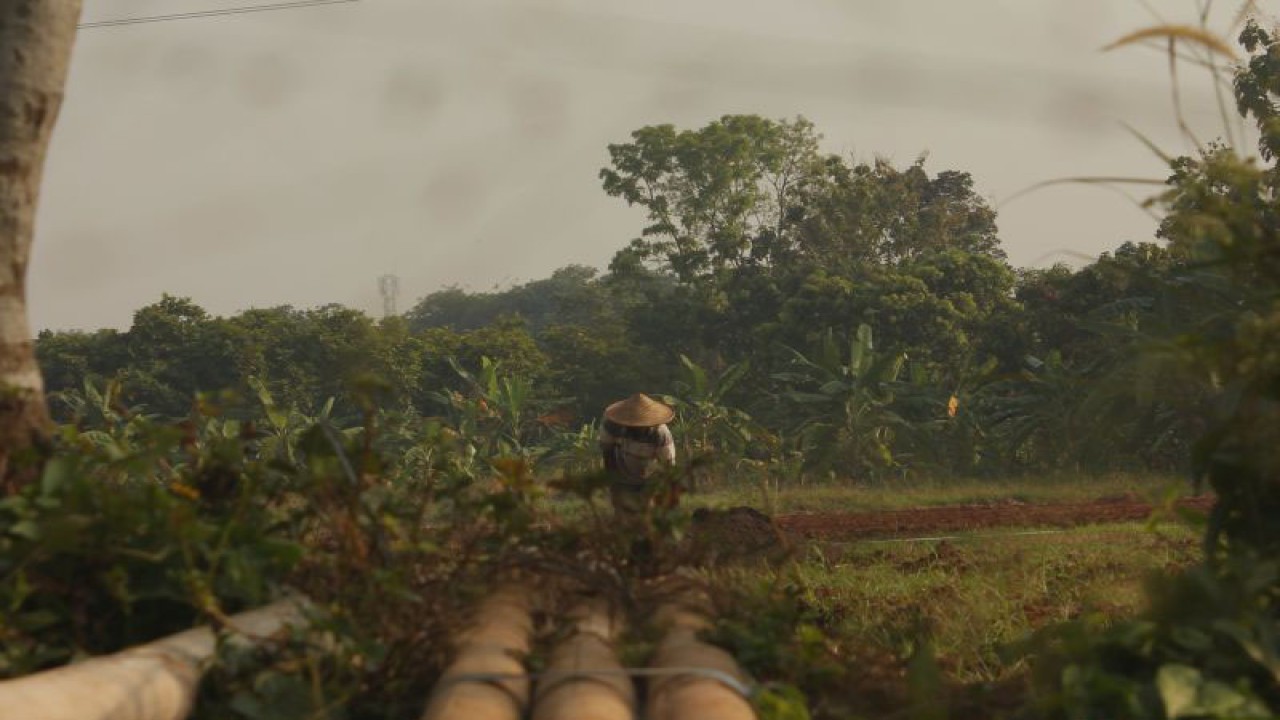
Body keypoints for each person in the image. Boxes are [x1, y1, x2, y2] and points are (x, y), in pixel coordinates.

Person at [598, 392, 677, 517]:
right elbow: (607, 453)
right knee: (622, 514)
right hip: (621, 472)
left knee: (646, 514)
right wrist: (613, 481)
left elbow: (668, 464)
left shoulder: (660, 433)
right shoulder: (612, 425)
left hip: (649, 477)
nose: (637, 428)